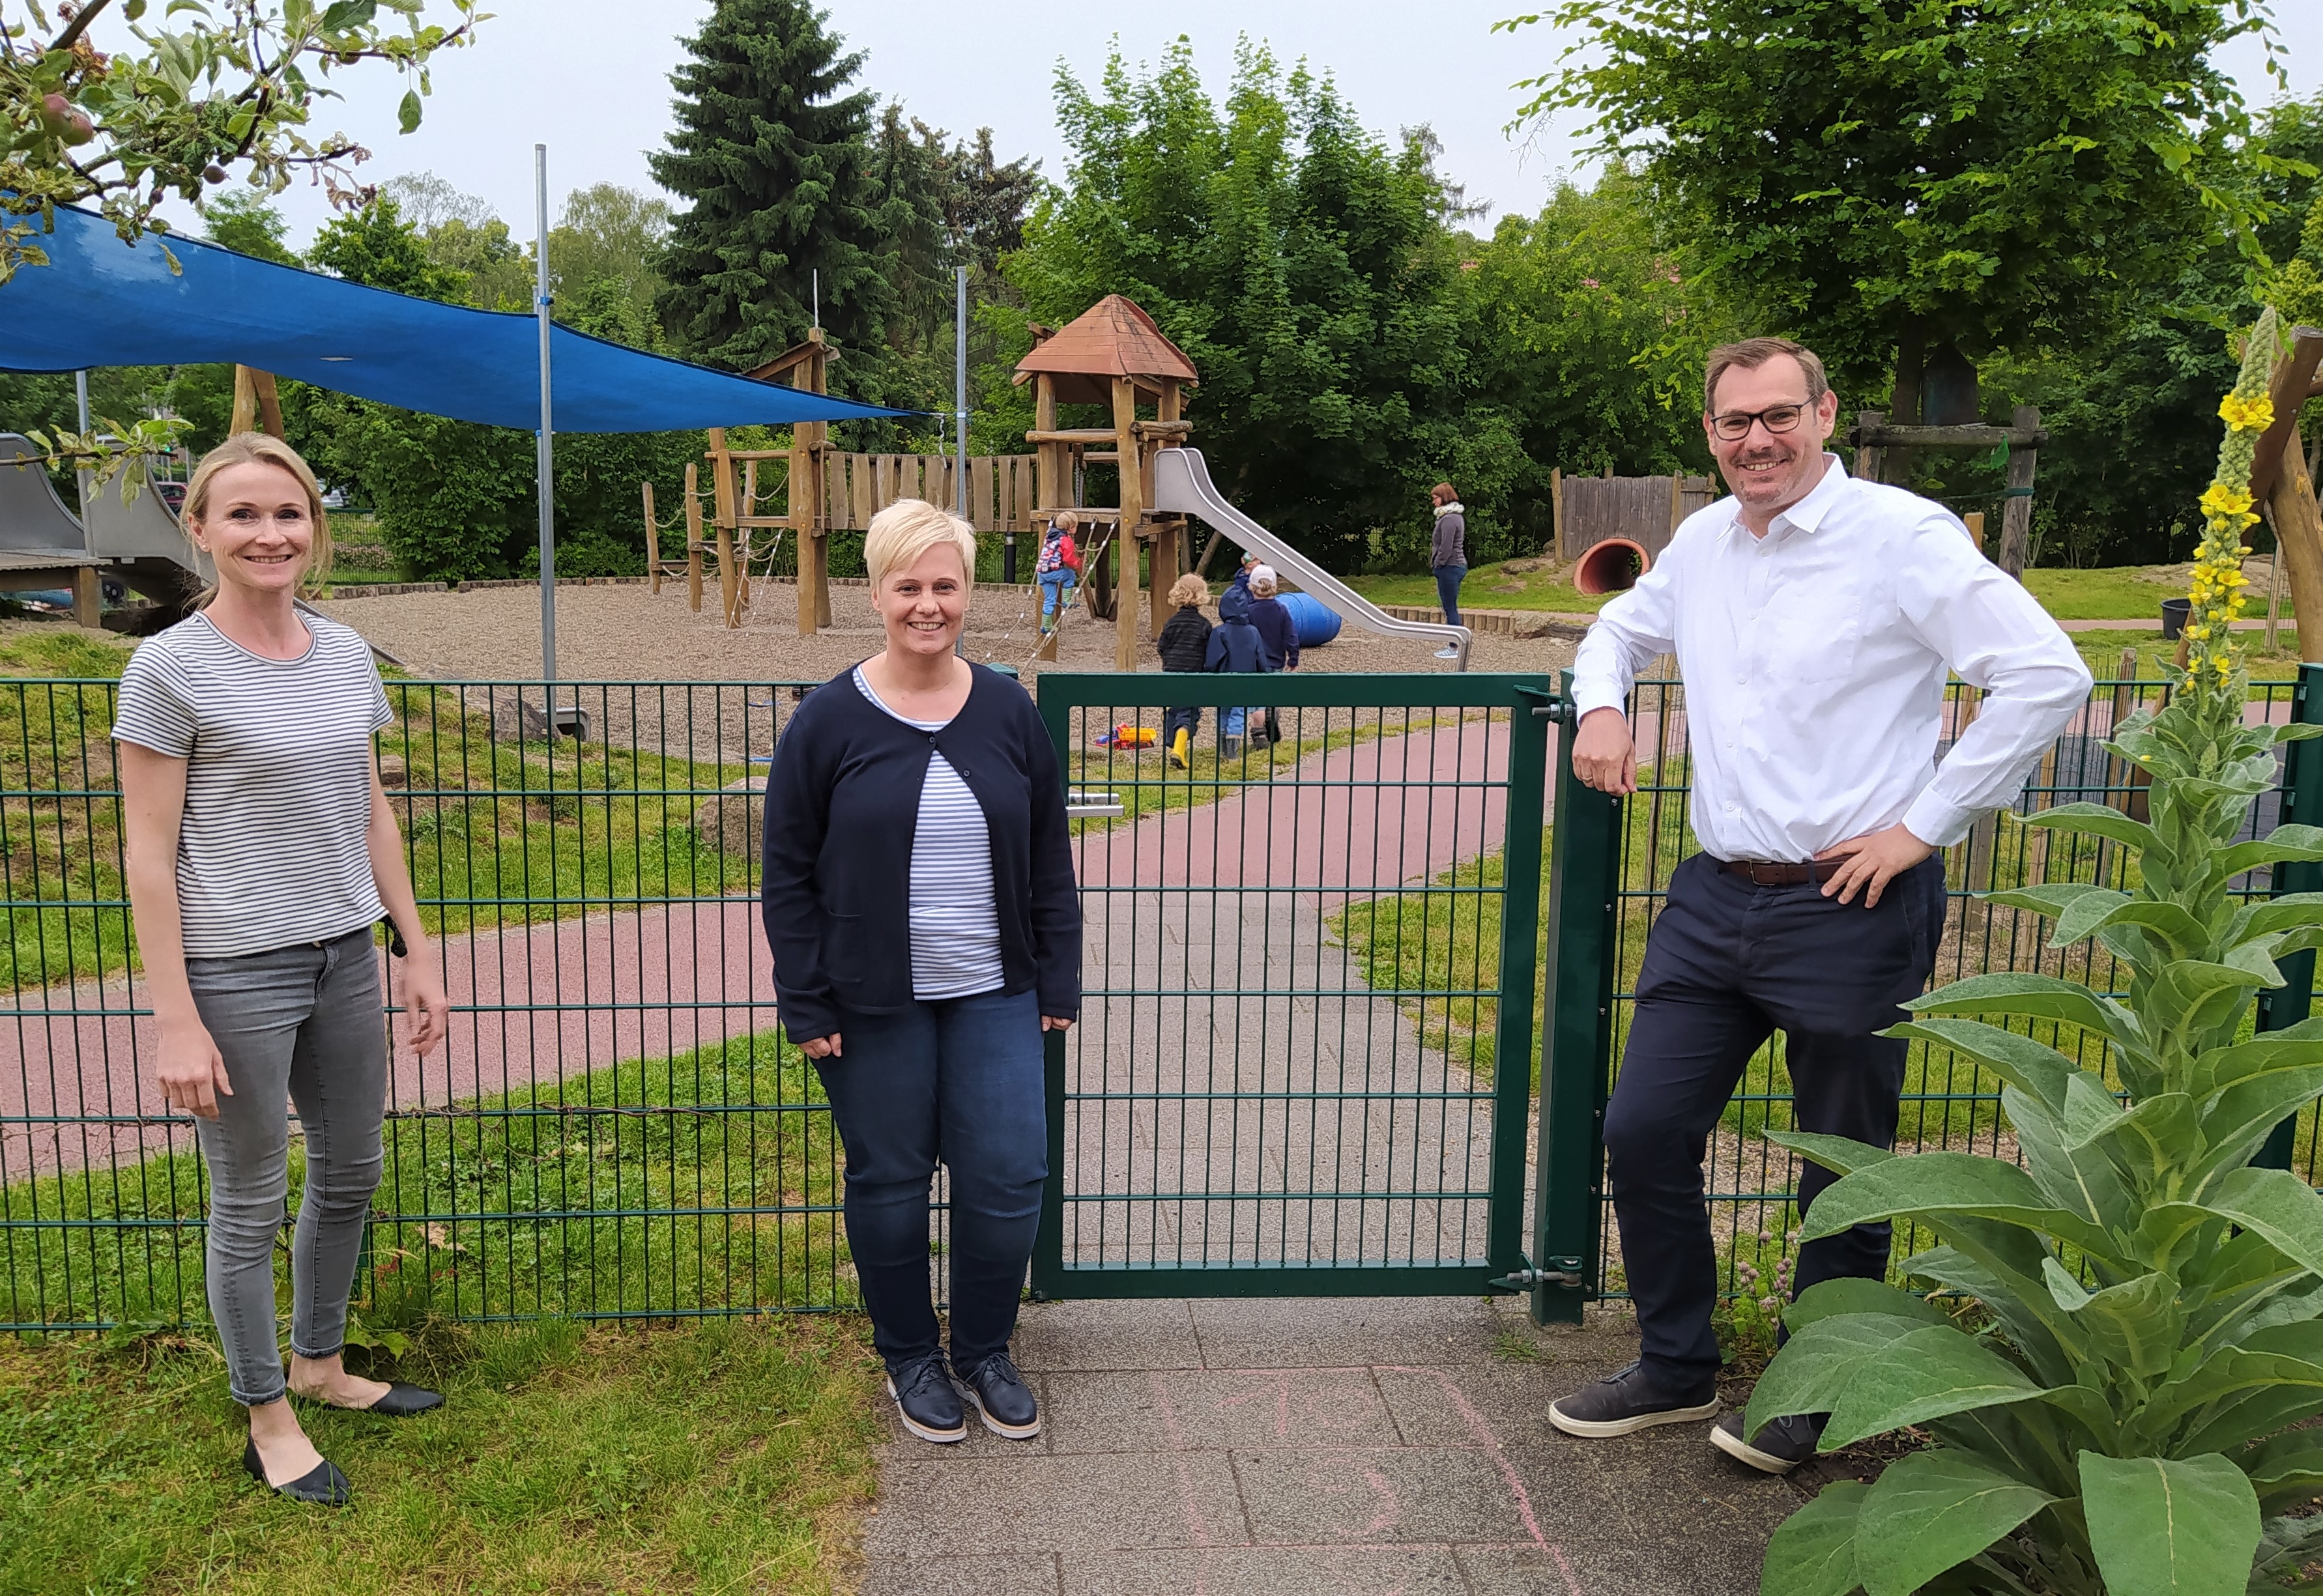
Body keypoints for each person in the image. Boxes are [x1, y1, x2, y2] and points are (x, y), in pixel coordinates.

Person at [1548, 337, 2089, 1472]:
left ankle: (1817, 1387)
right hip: (1713, 897)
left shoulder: (1901, 540)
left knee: (1844, 1163)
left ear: (1826, 414)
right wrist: (1602, 706)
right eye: (1735, 421)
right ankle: (1675, 1363)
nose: (1758, 439)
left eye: (1779, 415)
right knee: (1643, 1130)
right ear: (1709, 433)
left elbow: (2047, 673)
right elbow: (1618, 631)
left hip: (1852, 898)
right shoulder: (1701, 542)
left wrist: (1923, 826)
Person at [113, 433, 452, 1505]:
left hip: (345, 956)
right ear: (201, 529)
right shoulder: (165, 668)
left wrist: (414, 949)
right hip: (233, 972)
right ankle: (267, 1412)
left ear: (317, 530)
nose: (271, 535)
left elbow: (371, 810)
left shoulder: (346, 655)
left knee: (351, 1174)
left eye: (289, 514)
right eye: (245, 516)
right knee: (249, 1200)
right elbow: (146, 852)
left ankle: (321, 1365)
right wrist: (176, 1018)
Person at [760, 498, 1081, 1447]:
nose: (928, 605)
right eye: (910, 586)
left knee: (1009, 1174)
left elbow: (1049, 853)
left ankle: (984, 1349)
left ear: (968, 593)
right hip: (869, 1002)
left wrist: (1057, 976)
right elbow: (786, 873)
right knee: (891, 1178)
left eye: (945, 585)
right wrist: (804, 995)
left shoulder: (1007, 710)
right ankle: (909, 1353)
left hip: (996, 991)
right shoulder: (826, 720)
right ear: (878, 593)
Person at [1205, 579, 1267, 759]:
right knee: (1238, 714)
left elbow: (1212, 660)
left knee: (1223, 712)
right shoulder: (1253, 631)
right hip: (1244, 682)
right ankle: (1233, 753)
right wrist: (1265, 673)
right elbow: (1260, 658)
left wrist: (1209, 675)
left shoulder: (1220, 632)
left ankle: (1223, 750)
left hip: (1223, 681)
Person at [1157, 573, 1213, 769]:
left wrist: (1169, 660)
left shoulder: (1172, 622)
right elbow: (1208, 650)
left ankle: (1172, 745)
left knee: (1173, 708)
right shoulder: (1204, 625)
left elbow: (1161, 646)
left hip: (1172, 672)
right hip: (1193, 674)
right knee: (1188, 713)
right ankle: (1178, 751)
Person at [1245, 564, 1299, 748]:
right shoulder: (1282, 610)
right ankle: (1273, 716)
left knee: (1256, 700)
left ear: (1252, 587)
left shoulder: (1248, 611)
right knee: (1273, 694)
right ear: (1274, 587)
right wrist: (1293, 657)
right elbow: (1291, 635)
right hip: (1276, 661)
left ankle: (1259, 734)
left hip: (1254, 663)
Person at [1429, 483, 1467, 660]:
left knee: (1450, 608)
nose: (1434, 501)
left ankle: (1454, 647)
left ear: (1444, 497)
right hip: (1453, 566)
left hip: (1450, 567)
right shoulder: (1451, 517)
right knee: (1450, 607)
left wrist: (1438, 564)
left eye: (1436, 498)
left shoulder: (1450, 519)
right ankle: (1457, 643)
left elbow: (1446, 546)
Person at [1035, 511, 1082, 636]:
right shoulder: (1066, 540)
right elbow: (1068, 559)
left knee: (1050, 599)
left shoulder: (1049, 536)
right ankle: (1067, 600)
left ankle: (1046, 626)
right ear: (1071, 528)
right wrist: (1077, 564)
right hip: (1052, 571)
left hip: (1042, 573)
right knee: (1070, 575)